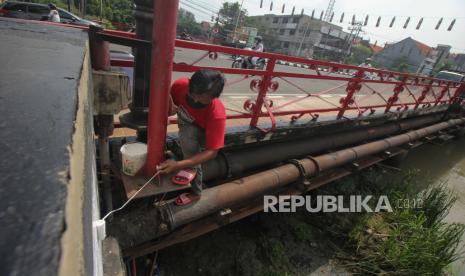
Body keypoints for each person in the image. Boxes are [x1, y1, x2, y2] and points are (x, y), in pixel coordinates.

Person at [158, 69, 226, 197]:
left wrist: (179, 165)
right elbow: (170, 106)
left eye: (201, 99)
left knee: (189, 142)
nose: (194, 101)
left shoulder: (217, 114)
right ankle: (185, 158)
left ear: (213, 98)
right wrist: (167, 111)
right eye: (192, 94)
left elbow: (212, 152)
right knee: (187, 135)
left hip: (204, 134)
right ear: (189, 84)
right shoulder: (180, 85)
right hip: (187, 122)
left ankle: (196, 192)